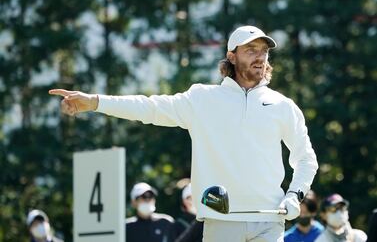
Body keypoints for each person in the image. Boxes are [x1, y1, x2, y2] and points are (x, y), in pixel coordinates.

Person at [49, 25, 319, 241]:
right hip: (220, 220)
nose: (260, 57)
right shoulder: (202, 99)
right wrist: (96, 101)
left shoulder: (283, 105)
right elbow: (149, 108)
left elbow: (306, 158)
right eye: (251, 50)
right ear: (232, 56)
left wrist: (294, 195)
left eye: (263, 51)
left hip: (269, 221)